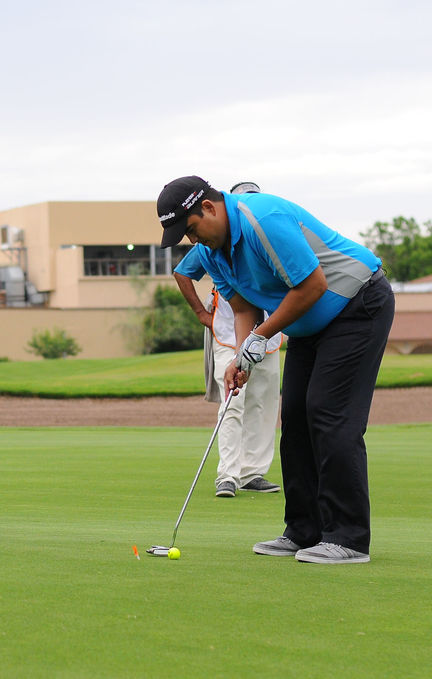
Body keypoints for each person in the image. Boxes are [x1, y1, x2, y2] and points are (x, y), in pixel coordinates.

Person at [157, 176, 394, 564]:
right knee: (297, 416)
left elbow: (312, 285)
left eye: (192, 229)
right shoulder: (214, 250)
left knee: (328, 413)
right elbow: (245, 309)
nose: (192, 240)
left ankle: (348, 538)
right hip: (310, 324)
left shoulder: (260, 219)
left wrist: (262, 335)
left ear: (211, 208)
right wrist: (241, 357)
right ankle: (304, 531)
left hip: (357, 305)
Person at [173, 181, 282, 498]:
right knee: (233, 402)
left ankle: (252, 472)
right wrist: (200, 313)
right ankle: (228, 474)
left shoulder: (265, 235)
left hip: (268, 334)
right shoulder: (212, 242)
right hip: (228, 333)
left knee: (263, 403)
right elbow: (183, 272)